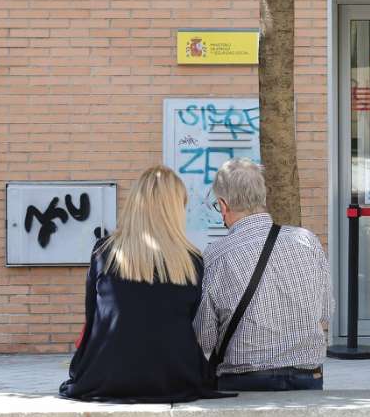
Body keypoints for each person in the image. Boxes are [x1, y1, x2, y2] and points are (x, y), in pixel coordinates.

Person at [60, 166, 227, 402]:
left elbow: (93, 315)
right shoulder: (192, 259)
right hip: (175, 375)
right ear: (175, 210)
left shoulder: (104, 251)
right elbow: (188, 319)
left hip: (106, 373)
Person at [195, 158, 332, 391]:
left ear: (224, 205)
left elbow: (205, 337)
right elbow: (325, 312)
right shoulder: (307, 241)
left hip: (244, 381)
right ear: (263, 197)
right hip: (307, 377)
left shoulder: (217, 255)